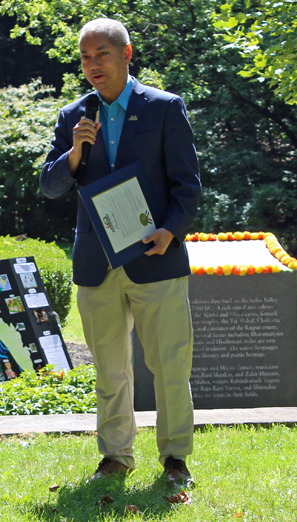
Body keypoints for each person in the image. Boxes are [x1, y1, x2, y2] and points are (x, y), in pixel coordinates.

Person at [40, 19, 201, 484]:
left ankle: (175, 459)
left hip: (156, 257)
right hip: (97, 264)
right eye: (85, 58)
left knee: (169, 364)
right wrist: (74, 152)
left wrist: (170, 231)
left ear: (126, 54)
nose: (93, 65)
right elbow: (50, 185)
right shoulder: (74, 116)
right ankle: (115, 456)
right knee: (109, 369)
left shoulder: (165, 108)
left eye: (102, 54)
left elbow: (187, 185)